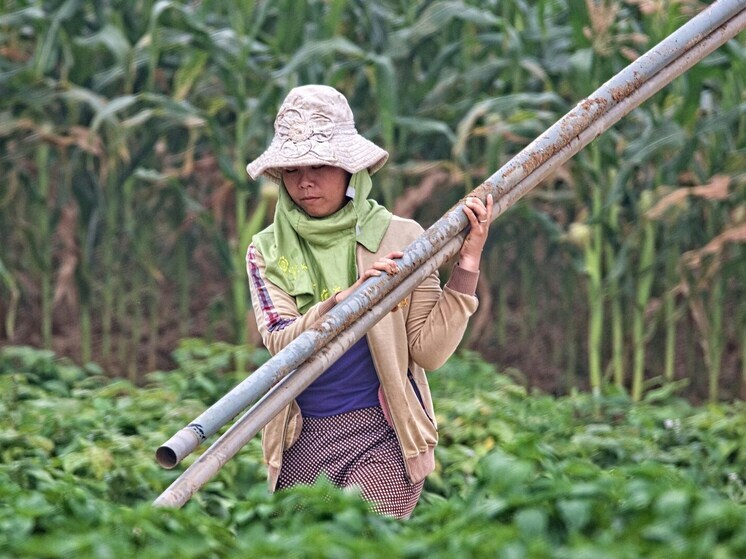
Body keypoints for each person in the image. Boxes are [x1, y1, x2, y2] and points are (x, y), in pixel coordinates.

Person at [245, 84, 492, 519]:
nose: (305, 180)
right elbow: (281, 342)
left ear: (350, 170)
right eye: (292, 168)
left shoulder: (401, 238)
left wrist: (467, 265)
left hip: (385, 432)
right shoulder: (265, 251)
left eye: (321, 165)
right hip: (301, 439)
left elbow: (428, 353)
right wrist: (343, 300)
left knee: (366, 539)